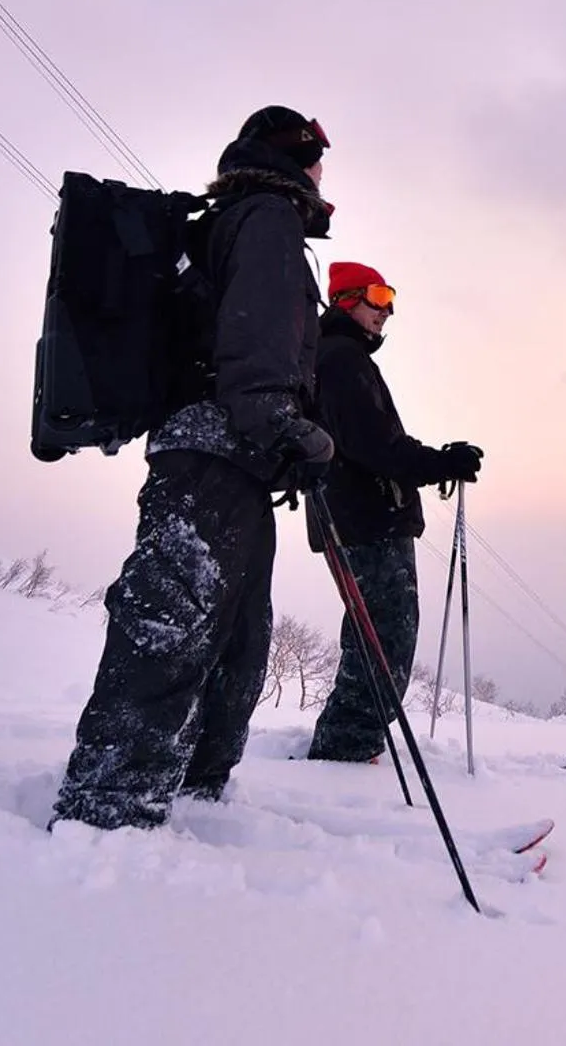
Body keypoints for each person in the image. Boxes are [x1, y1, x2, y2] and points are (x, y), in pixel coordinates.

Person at [52, 106, 335, 832]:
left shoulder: (244, 219)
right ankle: (106, 805)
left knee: (238, 635)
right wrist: (278, 417)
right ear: (295, 155)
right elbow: (257, 323)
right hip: (214, 443)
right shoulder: (266, 216)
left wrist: (280, 440)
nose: (324, 173)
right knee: (172, 615)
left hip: (234, 452)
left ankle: (196, 789)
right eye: (318, 157)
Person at [306, 261, 483, 764]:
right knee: (386, 639)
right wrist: (438, 463)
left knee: (375, 635)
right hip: (364, 520)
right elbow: (375, 447)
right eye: (378, 297)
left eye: (390, 298)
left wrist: (433, 460)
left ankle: (349, 744)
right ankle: (345, 749)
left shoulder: (341, 357)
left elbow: (375, 444)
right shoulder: (341, 359)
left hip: (357, 518)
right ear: (346, 300)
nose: (387, 310)